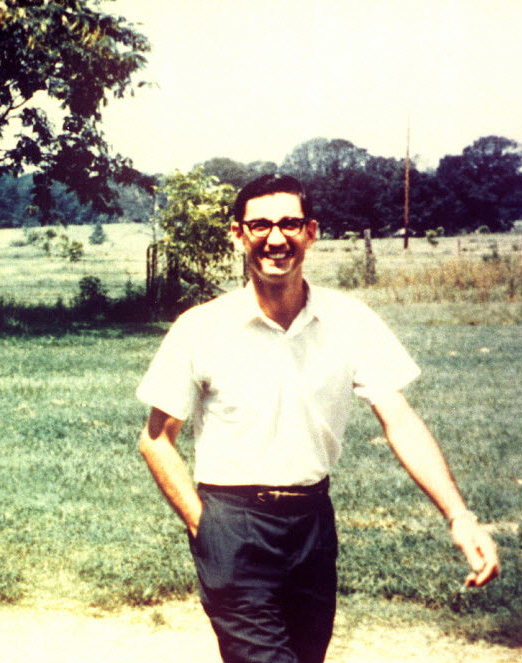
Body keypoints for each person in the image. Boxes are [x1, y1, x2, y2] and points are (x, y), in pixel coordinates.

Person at [136, 174, 500, 663]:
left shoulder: (349, 320)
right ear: (238, 234)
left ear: (311, 232)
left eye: (289, 224)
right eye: (259, 225)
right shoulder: (202, 327)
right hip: (234, 522)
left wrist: (460, 518)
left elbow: (400, 420)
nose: (275, 238)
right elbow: (156, 440)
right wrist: (207, 528)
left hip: (312, 525)